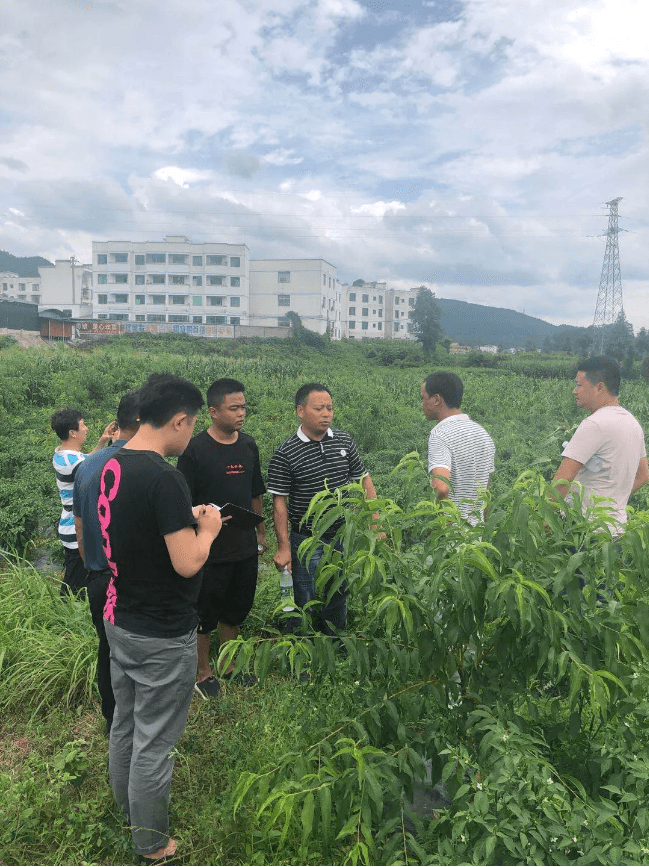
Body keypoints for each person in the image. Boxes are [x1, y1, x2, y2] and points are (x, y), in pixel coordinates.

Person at [99, 373, 223, 863]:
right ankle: (150, 843)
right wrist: (208, 529)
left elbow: (137, 523)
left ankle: (125, 809)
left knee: (126, 724)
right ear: (178, 420)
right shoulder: (165, 476)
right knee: (156, 741)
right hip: (163, 632)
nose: (189, 435)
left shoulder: (115, 462)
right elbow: (188, 562)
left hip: (122, 618)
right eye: (190, 426)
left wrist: (179, 516)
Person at [178, 377, 266, 697]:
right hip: (209, 546)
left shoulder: (249, 445)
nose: (242, 413)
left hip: (243, 544)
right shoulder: (194, 450)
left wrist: (260, 532)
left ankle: (230, 666)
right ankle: (203, 673)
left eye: (243, 406)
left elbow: (256, 492)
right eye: (234, 408)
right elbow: (182, 503)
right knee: (206, 611)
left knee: (236, 608)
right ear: (214, 411)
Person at [267, 382, 377, 635]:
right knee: (304, 594)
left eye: (329, 408)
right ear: (300, 411)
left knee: (338, 591)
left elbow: (364, 480)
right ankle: (302, 648)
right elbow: (279, 503)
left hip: (341, 536)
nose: (326, 413)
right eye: (319, 408)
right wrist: (283, 547)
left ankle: (336, 644)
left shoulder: (344, 441)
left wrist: (375, 523)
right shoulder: (286, 453)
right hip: (307, 539)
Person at [72, 389, 141, 733]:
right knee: (140, 654)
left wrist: (93, 567)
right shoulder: (142, 464)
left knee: (107, 648)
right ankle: (135, 724)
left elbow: (81, 529)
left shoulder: (87, 465)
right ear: (142, 421)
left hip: (98, 577)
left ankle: (111, 718)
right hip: (132, 581)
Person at [553, 356, 648, 531]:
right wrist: (613, 504)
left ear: (599, 387)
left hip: (583, 531)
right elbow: (643, 475)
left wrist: (546, 516)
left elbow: (563, 478)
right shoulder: (633, 424)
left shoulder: (594, 424)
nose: (574, 391)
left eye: (579, 385)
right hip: (616, 530)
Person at [50, 408, 116, 596]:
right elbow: (94, 467)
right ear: (72, 432)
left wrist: (103, 440)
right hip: (74, 529)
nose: (86, 428)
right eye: (83, 425)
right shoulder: (71, 462)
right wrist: (116, 445)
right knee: (74, 583)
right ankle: (64, 618)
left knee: (77, 577)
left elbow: (89, 460)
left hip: (70, 525)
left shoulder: (66, 455)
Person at [421, 371, 495, 524]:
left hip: (454, 539)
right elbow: (485, 492)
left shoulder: (440, 435)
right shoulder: (482, 433)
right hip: (478, 536)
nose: (422, 404)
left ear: (436, 399)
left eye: (423, 398)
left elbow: (441, 488)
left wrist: (443, 525)